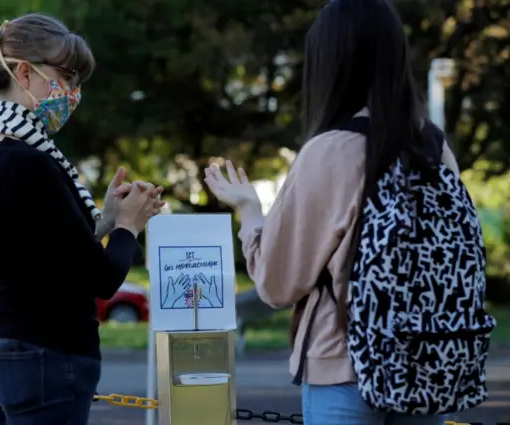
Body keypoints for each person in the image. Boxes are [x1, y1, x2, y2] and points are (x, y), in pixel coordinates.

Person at [204, 1, 495, 425]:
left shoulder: (330, 151)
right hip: (426, 366)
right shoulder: (433, 146)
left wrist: (250, 213)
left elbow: (277, 284)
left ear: (330, 63)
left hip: (345, 371)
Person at [0, 14, 164, 425]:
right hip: (43, 357)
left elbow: (38, 250)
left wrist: (103, 221)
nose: (73, 92)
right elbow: (100, 277)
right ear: (26, 72)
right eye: (68, 77)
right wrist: (128, 226)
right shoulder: (29, 163)